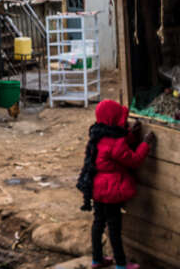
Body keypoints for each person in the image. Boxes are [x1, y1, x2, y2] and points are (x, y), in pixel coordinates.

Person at [76, 99, 155, 269]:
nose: (124, 121)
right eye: (121, 118)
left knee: (98, 223)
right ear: (114, 119)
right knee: (114, 227)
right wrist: (145, 145)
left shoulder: (97, 135)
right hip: (111, 191)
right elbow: (133, 160)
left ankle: (96, 260)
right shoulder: (116, 142)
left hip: (96, 189)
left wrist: (131, 134)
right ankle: (120, 263)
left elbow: (117, 143)